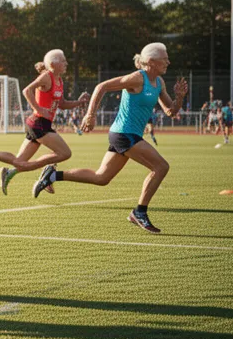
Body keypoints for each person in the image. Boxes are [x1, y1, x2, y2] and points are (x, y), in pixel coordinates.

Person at [32, 43, 188, 233]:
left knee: (101, 178)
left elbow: (171, 111)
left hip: (130, 135)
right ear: (152, 62)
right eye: (165, 58)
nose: (168, 62)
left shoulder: (160, 83)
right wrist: (90, 115)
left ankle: (53, 175)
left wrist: (179, 97)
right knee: (161, 166)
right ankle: (139, 212)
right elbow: (101, 87)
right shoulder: (137, 78)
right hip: (123, 134)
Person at [0, 49, 90, 195]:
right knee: (65, 153)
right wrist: (38, 108)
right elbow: (26, 91)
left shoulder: (59, 80)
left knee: (19, 162)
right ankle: (48, 172)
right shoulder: (46, 77)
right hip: (39, 123)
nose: (66, 63)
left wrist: (79, 103)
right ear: (53, 64)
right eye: (63, 61)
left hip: (41, 124)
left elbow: (61, 103)